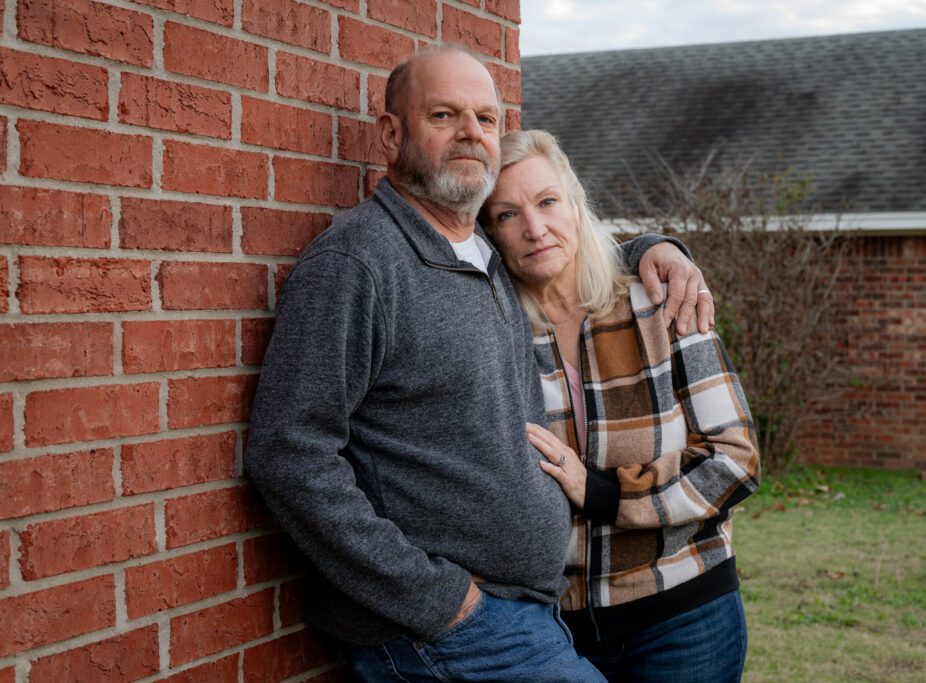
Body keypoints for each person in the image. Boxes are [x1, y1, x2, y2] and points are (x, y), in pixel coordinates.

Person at [244, 47, 713, 682]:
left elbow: (560, 238)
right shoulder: (357, 266)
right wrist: (440, 600)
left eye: (486, 119)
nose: (471, 133)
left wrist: (658, 247)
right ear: (391, 134)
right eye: (444, 115)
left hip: (527, 614)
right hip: (447, 628)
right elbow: (288, 451)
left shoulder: (486, 253)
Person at [481, 129, 760, 683]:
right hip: (553, 636)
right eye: (507, 215)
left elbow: (735, 461)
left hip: (683, 618)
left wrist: (604, 492)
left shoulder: (660, 303)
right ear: (490, 233)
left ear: (576, 202)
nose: (535, 229)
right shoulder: (494, 331)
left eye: (547, 202)